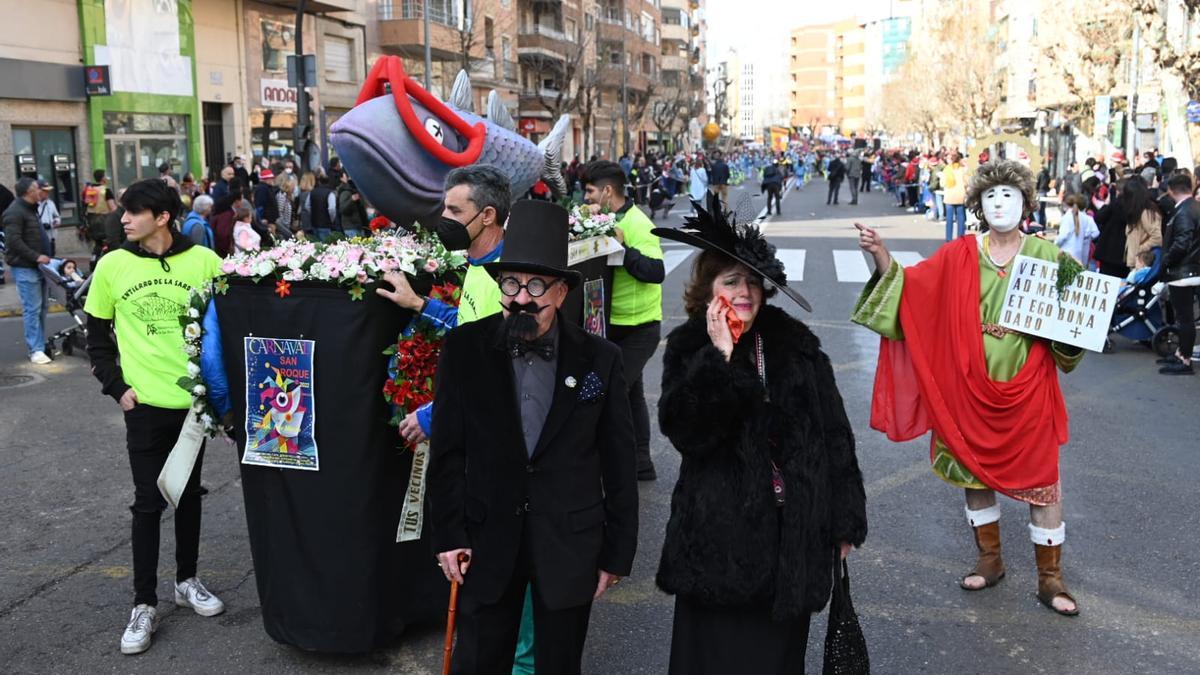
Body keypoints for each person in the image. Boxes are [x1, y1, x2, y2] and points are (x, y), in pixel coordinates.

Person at [854, 161, 1085, 617]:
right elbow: (912, 290)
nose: (1000, 204)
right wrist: (881, 255)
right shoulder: (959, 253)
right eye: (991, 197)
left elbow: (1077, 321)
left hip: (1028, 393)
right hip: (966, 391)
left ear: (1026, 204)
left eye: (1010, 196)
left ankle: (1050, 578)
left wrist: (1078, 309)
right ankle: (990, 558)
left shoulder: (1049, 256)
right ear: (978, 205)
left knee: (1043, 486)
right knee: (973, 477)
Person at [652, 195, 866, 673]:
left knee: (776, 660)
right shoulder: (689, 346)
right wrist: (719, 358)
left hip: (789, 543)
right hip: (717, 545)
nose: (744, 292)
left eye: (753, 282)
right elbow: (686, 432)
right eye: (731, 282)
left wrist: (845, 520)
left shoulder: (795, 343)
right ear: (709, 290)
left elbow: (834, 433)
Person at [428, 200, 638, 674]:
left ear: (561, 292)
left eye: (537, 285)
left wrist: (616, 553)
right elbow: (447, 453)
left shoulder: (600, 359)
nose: (521, 298)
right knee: (479, 661)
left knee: (559, 665)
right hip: (486, 541)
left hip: (569, 545)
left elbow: (619, 462)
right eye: (511, 283)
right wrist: (449, 535)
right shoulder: (464, 350)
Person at [83, 179, 225, 655]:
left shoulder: (205, 261)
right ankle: (143, 603)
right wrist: (117, 388)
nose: (122, 219)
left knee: (188, 496)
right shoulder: (112, 264)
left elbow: (228, 325)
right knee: (149, 502)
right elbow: (97, 338)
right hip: (142, 408)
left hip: (193, 408)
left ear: (162, 217)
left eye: (133, 212)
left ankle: (187, 580)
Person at [582, 161, 666, 481]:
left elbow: (655, 272)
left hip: (639, 327)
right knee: (631, 395)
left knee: (610, 392)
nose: (586, 197)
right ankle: (641, 463)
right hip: (609, 323)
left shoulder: (637, 223)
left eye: (590, 191)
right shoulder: (604, 217)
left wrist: (622, 245)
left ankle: (600, 462)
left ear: (607, 191)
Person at [3, 177, 52, 364]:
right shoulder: (14, 213)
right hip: (26, 268)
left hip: (39, 267)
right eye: (36, 189)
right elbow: (13, 242)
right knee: (32, 309)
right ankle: (36, 349)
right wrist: (36, 256)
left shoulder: (31, 210)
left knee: (41, 308)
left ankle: (39, 344)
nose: (40, 191)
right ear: (28, 193)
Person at [1158, 172, 1200, 375]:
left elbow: (1182, 242)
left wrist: (1167, 260)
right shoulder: (1194, 207)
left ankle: (1184, 359)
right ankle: (1181, 354)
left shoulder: (1183, 211)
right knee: (1185, 317)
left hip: (1183, 270)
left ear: (1171, 191)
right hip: (1190, 268)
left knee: (1184, 318)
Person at [1121, 176, 1163, 272]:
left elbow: (1157, 238)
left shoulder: (1146, 212)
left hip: (1142, 264)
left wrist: (1139, 249)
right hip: (1136, 262)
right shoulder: (1137, 211)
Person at [83, 169, 118, 264]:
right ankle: (107, 262)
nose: (107, 178)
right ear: (103, 178)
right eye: (106, 176)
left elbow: (87, 206)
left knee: (98, 243)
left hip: (92, 221)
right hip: (104, 221)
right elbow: (113, 208)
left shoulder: (89, 190)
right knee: (108, 242)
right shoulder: (106, 191)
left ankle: (94, 259)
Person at [1054, 194, 1099, 266]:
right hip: (1078, 254)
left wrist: (1055, 244)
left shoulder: (1068, 217)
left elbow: (1063, 236)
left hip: (1066, 254)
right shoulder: (1084, 217)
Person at [940, 152, 968, 240]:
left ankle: (949, 238)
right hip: (960, 196)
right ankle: (961, 237)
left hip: (949, 196)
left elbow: (942, 183)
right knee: (961, 218)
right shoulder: (963, 170)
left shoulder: (946, 170)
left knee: (949, 219)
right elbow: (967, 182)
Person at [337, 173, 368, 238]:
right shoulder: (345, 192)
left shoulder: (354, 190)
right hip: (351, 227)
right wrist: (351, 200)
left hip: (359, 226)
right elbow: (342, 209)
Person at [36, 179, 60, 257]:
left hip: (50, 238)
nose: (47, 193)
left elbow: (57, 216)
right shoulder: (34, 204)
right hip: (38, 240)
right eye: (45, 191)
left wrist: (56, 222)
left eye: (48, 191)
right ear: (38, 191)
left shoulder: (50, 203)